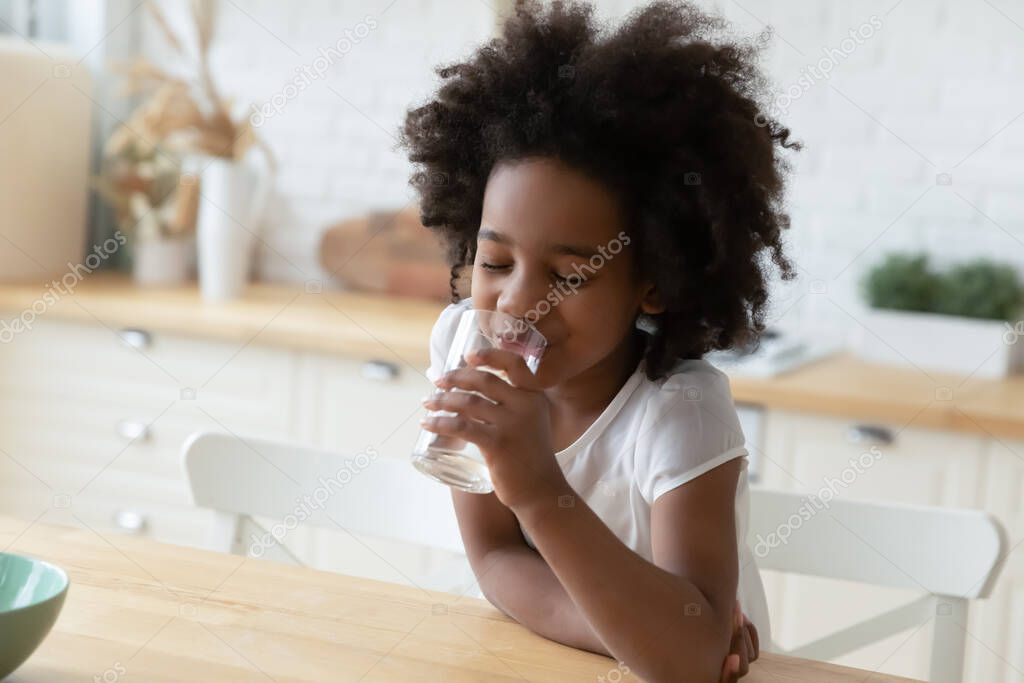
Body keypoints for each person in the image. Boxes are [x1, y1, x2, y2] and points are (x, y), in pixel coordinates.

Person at [400, 1, 799, 680]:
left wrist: (534, 487)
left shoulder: (679, 411)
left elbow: (693, 661)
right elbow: (495, 559)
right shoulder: (465, 335)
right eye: (495, 263)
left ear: (653, 282)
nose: (519, 301)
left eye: (568, 273)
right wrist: (627, 632)